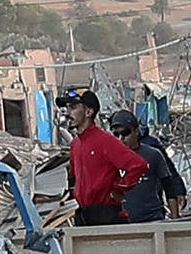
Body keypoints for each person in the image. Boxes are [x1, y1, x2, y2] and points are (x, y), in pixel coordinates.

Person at [58, 88, 151, 227]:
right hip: (83, 214)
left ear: (88, 112)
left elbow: (138, 165)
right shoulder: (76, 144)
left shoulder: (105, 140)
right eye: (67, 108)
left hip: (106, 214)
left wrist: (118, 188)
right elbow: (74, 177)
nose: (68, 113)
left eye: (73, 107)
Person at [118, 110, 189, 223]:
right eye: (116, 134)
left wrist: (179, 192)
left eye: (125, 133)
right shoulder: (110, 156)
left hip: (152, 217)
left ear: (136, 131)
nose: (121, 139)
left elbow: (168, 179)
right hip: (122, 219)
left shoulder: (152, 150)